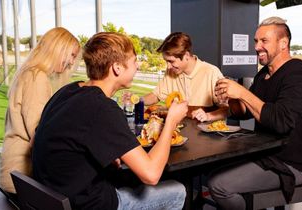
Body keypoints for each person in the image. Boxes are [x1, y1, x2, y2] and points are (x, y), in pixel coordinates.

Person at [32, 32, 188, 210]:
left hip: (55, 197)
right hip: (89, 205)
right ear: (117, 68)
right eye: (134, 61)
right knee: (177, 190)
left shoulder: (67, 91)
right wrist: (171, 122)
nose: (137, 67)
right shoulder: (103, 108)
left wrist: (102, 151)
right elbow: (151, 174)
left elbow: (55, 139)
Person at [207, 16, 302, 210]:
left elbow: (280, 122)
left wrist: (242, 92)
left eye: (264, 41)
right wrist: (232, 95)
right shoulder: (264, 74)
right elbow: (244, 113)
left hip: (290, 163)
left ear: (283, 43)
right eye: (256, 41)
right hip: (263, 154)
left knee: (219, 185)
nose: (257, 46)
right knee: (207, 170)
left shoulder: (299, 74)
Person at [0, 27, 80, 194]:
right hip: (22, 176)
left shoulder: (30, 73)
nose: (72, 62)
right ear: (58, 49)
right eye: (72, 55)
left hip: (16, 173)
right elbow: (40, 133)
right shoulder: (37, 78)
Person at [142, 32, 228, 122]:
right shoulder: (171, 71)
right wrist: (136, 100)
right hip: (180, 132)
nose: (168, 66)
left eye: (171, 61)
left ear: (186, 55)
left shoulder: (211, 72)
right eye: (166, 61)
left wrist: (208, 116)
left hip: (208, 133)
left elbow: (227, 109)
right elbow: (156, 96)